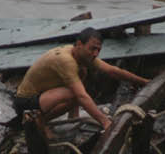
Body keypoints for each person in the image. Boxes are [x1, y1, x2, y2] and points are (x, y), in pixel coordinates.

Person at [13, 27, 149, 131]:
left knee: (82, 75)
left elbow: (113, 71)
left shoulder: (84, 55)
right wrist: (105, 123)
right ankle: (40, 122)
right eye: (92, 49)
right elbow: (82, 97)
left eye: (98, 50)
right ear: (79, 45)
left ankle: (71, 116)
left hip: (44, 97)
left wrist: (144, 82)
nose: (95, 54)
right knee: (77, 93)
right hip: (26, 103)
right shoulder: (65, 60)